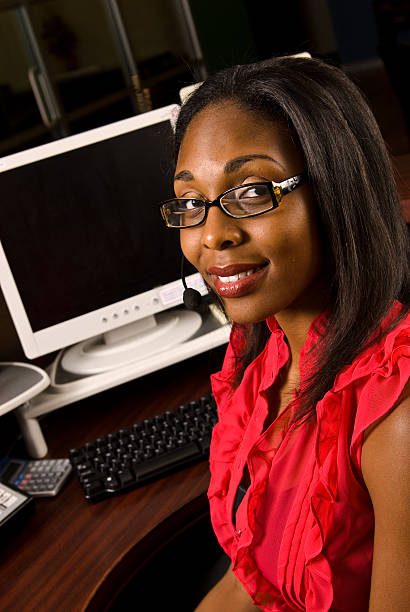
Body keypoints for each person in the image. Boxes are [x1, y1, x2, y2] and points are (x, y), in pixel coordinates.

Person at [159, 56, 410, 611]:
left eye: (252, 193)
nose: (213, 236)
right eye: (192, 203)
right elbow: (253, 583)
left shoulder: (398, 417)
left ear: (335, 191)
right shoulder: (263, 357)